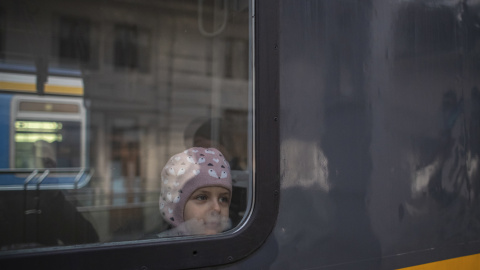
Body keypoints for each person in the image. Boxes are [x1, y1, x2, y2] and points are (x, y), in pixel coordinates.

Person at [157, 147, 232, 237]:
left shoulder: (235, 241)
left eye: (223, 199)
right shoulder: (158, 247)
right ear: (176, 206)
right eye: (202, 197)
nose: (217, 208)